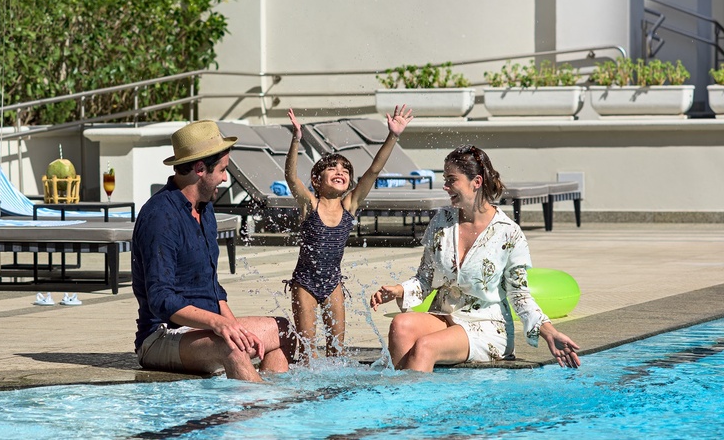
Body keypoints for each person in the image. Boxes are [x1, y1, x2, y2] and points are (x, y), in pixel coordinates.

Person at [370, 144, 581, 370]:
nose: (445, 186)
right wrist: (400, 290)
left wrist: (548, 332)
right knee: (400, 325)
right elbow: (425, 278)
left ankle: (416, 402)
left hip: (486, 325)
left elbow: (519, 295)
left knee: (426, 346)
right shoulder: (442, 221)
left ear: (476, 182)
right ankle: (401, 395)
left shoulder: (508, 233)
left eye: (452, 180)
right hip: (445, 316)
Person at [132, 120, 296, 382]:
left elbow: (212, 288)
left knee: (283, 330)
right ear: (199, 169)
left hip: (204, 328)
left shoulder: (205, 210)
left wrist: (231, 325)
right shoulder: (159, 216)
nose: (224, 177)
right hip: (162, 336)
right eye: (222, 170)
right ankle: (255, 413)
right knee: (233, 348)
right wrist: (221, 326)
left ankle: (270, 407)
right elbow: (161, 299)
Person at [284, 105, 413, 361]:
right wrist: (296, 140)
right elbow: (290, 177)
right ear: (317, 179)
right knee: (307, 353)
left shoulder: (349, 206)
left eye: (345, 170)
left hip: (334, 284)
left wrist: (393, 135)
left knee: (336, 353)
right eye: (332, 168)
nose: (340, 171)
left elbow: (373, 171)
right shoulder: (311, 204)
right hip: (304, 284)